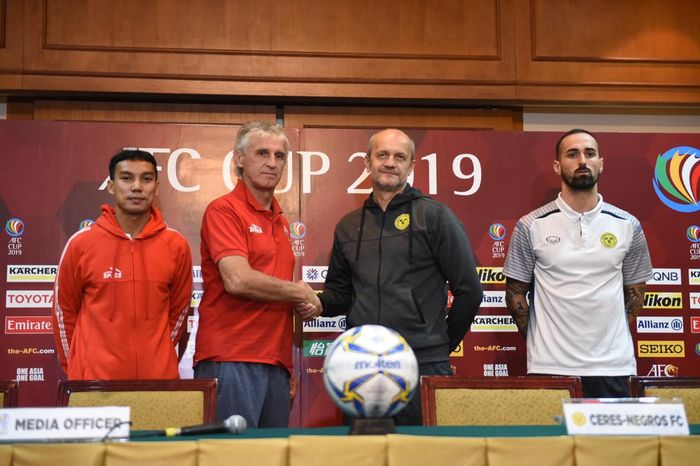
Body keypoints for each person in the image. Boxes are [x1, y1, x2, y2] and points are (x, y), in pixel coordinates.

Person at [317, 128, 483, 425]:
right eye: (382, 155)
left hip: (423, 364)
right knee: (362, 458)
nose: (390, 162)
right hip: (360, 366)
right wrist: (314, 302)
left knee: (425, 456)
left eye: (399, 156)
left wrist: (439, 345)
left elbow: (470, 291)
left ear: (411, 166)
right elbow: (341, 294)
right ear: (367, 162)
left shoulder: (434, 216)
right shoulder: (348, 226)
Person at [503, 128, 652, 398]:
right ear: (558, 166)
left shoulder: (628, 225)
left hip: (613, 366)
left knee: (614, 443)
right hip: (550, 366)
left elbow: (636, 294)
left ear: (601, 163)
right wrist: (540, 342)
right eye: (572, 154)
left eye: (589, 153)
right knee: (553, 442)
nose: (582, 160)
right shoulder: (530, 225)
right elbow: (515, 295)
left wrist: (608, 338)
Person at [194, 121, 321, 428]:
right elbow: (238, 279)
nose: (272, 163)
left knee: (271, 458)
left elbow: (274, 297)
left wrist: (286, 365)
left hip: (274, 362)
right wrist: (301, 293)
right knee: (230, 460)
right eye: (262, 153)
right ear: (239, 158)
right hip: (231, 358)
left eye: (279, 156)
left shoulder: (278, 219)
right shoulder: (224, 210)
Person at [52, 149, 193, 380]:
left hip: (157, 383)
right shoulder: (82, 243)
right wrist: (79, 369)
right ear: (111, 185)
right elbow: (64, 312)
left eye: (146, 179)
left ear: (156, 187)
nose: (137, 187)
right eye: (126, 178)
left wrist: (158, 357)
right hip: (95, 383)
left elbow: (180, 311)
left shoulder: (176, 245)